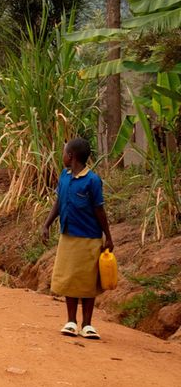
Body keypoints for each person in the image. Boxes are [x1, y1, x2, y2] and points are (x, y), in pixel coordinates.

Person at [41, 138, 114, 340]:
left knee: (88, 281)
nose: (62, 156)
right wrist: (46, 224)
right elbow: (58, 202)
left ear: (71, 156)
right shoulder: (64, 177)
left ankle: (87, 324)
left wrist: (108, 237)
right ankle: (71, 321)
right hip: (68, 235)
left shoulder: (92, 180)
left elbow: (99, 210)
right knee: (70, 278)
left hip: (90, 237)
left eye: (64, 152)